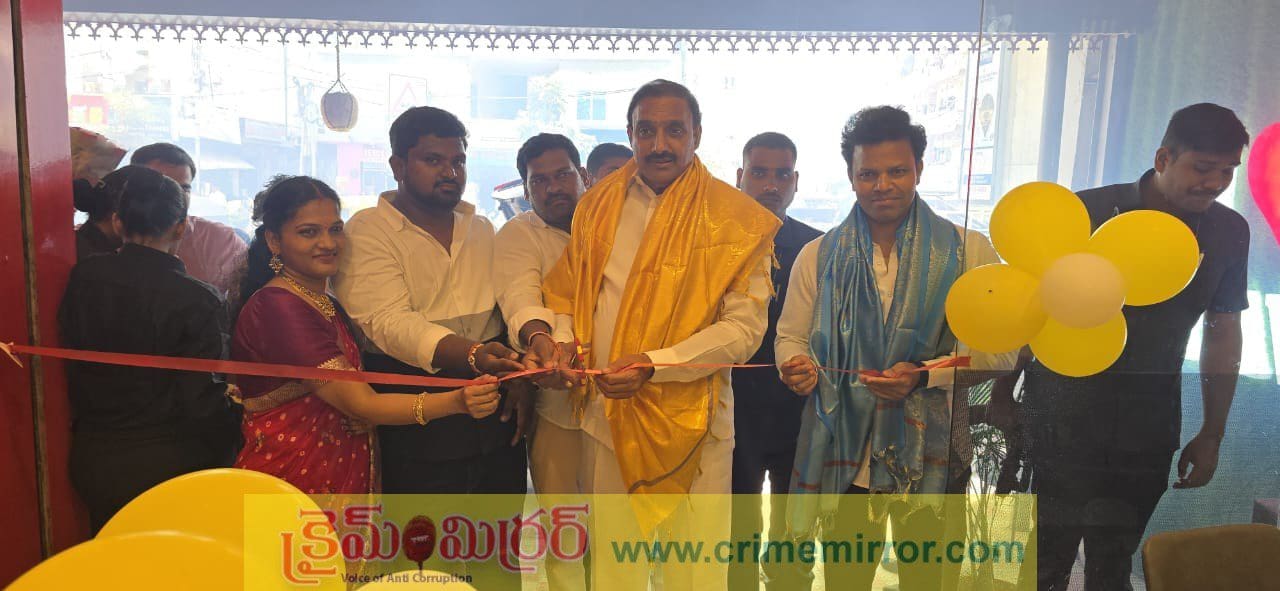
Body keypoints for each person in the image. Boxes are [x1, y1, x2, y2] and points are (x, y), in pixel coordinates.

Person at [992, 103, 1251, 591]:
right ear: (1163, 158)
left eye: (1227, 171)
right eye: (1202, 168)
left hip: (1147, 425)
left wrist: (1212, 433)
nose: (1215, 183)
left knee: (1113, 567)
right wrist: (1003, 393)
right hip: (1060, 414)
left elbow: (1222, 332)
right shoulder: (1087, 210)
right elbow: (1026, 307)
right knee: (1042, 562)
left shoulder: (1228, 231)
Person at [543, 79, 780, 591]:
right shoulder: (597, 204)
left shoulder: (736, 220)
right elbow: (569, 293)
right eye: (646, 130)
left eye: (674, 130)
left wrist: (655, 364)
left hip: (695, 425)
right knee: (614, 570)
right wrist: (562, 343)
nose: (659, 144)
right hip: (609, 416)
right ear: (630, 133)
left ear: (697, 134)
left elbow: (743, 330)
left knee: (694, 573)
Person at [776, 106, 1016, 590]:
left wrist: (923, 376)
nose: (882, 185)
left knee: (927, 580)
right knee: (845, 580)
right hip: (847, 455)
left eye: (897, 171)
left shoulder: (968, 251)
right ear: (851, 176)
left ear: (919, 169)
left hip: (936, 456)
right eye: (868, 174)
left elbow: (1002, 353)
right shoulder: (819, 255)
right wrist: (794, 365)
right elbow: (790, 336)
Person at [230, 176, 501, 495]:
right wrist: (456, 401)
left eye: (335, 229)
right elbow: (360, 402)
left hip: (336, 468)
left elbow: (352, 401)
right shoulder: (278, 307)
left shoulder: (321, 300)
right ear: (274, 241)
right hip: (291, 478)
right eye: (309, 232)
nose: (328, 243)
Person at [333, 106, 530, 495]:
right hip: (417, 418)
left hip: (496, 414)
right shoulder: (368, 231)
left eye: (458, 161)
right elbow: (389, 322)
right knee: (422, 532)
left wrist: (522, 380)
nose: (450, 172)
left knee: (501, 528)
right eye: (433, 160)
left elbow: (508, 305)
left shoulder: (481, 228)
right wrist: (473, 354)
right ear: (398, 166)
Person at [58, 165, 241, 533]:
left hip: (93, 455)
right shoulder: (197, 299)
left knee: (112, 556)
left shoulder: (85, 276)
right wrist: (236, 426)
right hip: (167, 461)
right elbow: (201, 400)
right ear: (180, 227)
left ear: (118, 222)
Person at [493, 133, 590, 591]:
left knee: (621, 531)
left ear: (583, 175)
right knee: (566, 531)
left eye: (563, 175)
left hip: (623, 404)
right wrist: (542, 339)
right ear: (527, 189)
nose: (554, 188)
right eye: (540, 181)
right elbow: (521, 296)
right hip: (556, 409)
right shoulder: (520, 233)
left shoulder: (613, 228)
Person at [726, 132, 823, 591]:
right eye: (759, 172)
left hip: (799, 406)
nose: (771, 184)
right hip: (734, 406)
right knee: (738, 524)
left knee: (795, 525)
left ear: (796, 181)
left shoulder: (817, 248)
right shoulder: (715, 245)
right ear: (739, 177)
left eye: (782, 174)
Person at [131, 143, 248, 295]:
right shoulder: (113, 236)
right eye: (165, 187)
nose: (176, 196)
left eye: (184, 189)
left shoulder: (221, 240)